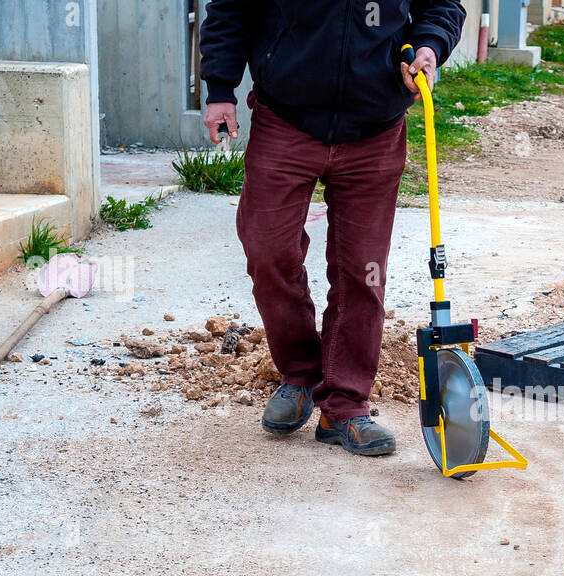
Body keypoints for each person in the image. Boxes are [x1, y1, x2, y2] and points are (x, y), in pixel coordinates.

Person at [200, 0, 467, 455]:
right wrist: (220, 88)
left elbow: (441, 6)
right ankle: (302, 374)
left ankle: (345, 405)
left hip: (375, 126)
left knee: (363, 271)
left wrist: (429, 46)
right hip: (286, 119)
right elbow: (230, 8)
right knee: (268, 250)